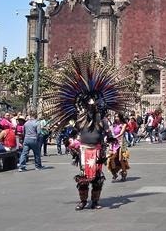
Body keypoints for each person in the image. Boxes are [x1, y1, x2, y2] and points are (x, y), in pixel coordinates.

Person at [42, 53, 135, 211]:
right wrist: (70, 141)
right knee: (84, 178)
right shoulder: (79, 119)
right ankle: (83, 201)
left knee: (97, 178)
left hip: (98, 150)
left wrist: (111, 139)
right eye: (89, 104)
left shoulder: (103, 120)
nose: (92, 106)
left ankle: (95, 201)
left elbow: (108, 134)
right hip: (84, 150)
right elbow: (73, 132)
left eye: (94, 104)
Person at [107, 113, 129, 182]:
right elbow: (110, 132)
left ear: (120, 117)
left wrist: (115, 137)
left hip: (121, 143)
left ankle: (124, 173)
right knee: (111, 158)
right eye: (115, 117)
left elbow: (121, 133)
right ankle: (114, 173)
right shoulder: (113, 125)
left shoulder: (123, 125)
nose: (116, 118)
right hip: (114, 143)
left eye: (117, 117)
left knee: (120, 159)